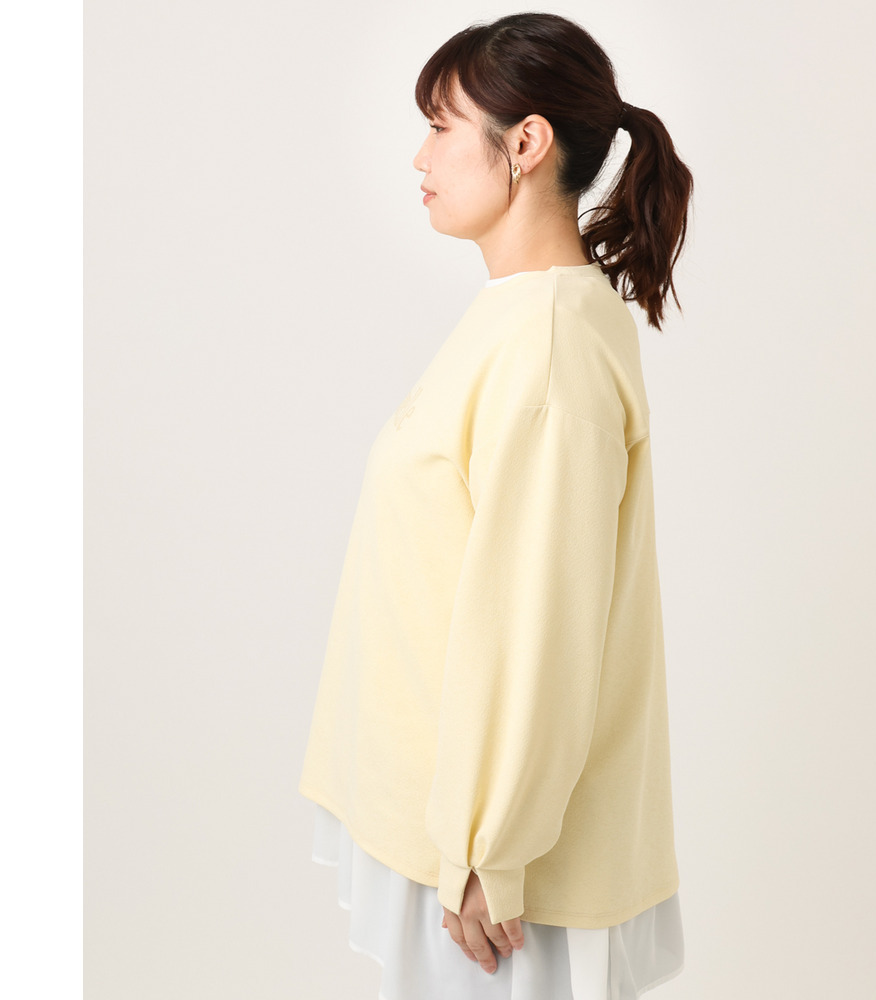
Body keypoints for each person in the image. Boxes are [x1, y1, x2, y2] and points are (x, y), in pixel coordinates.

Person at [298, 12, 694, 999]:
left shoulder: (549, 346)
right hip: (457, 831)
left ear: (526, 143)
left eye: (441, 127)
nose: (419, 156)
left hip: (494, 882)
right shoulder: (523, 318)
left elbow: (537, 626)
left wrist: (490, 852)